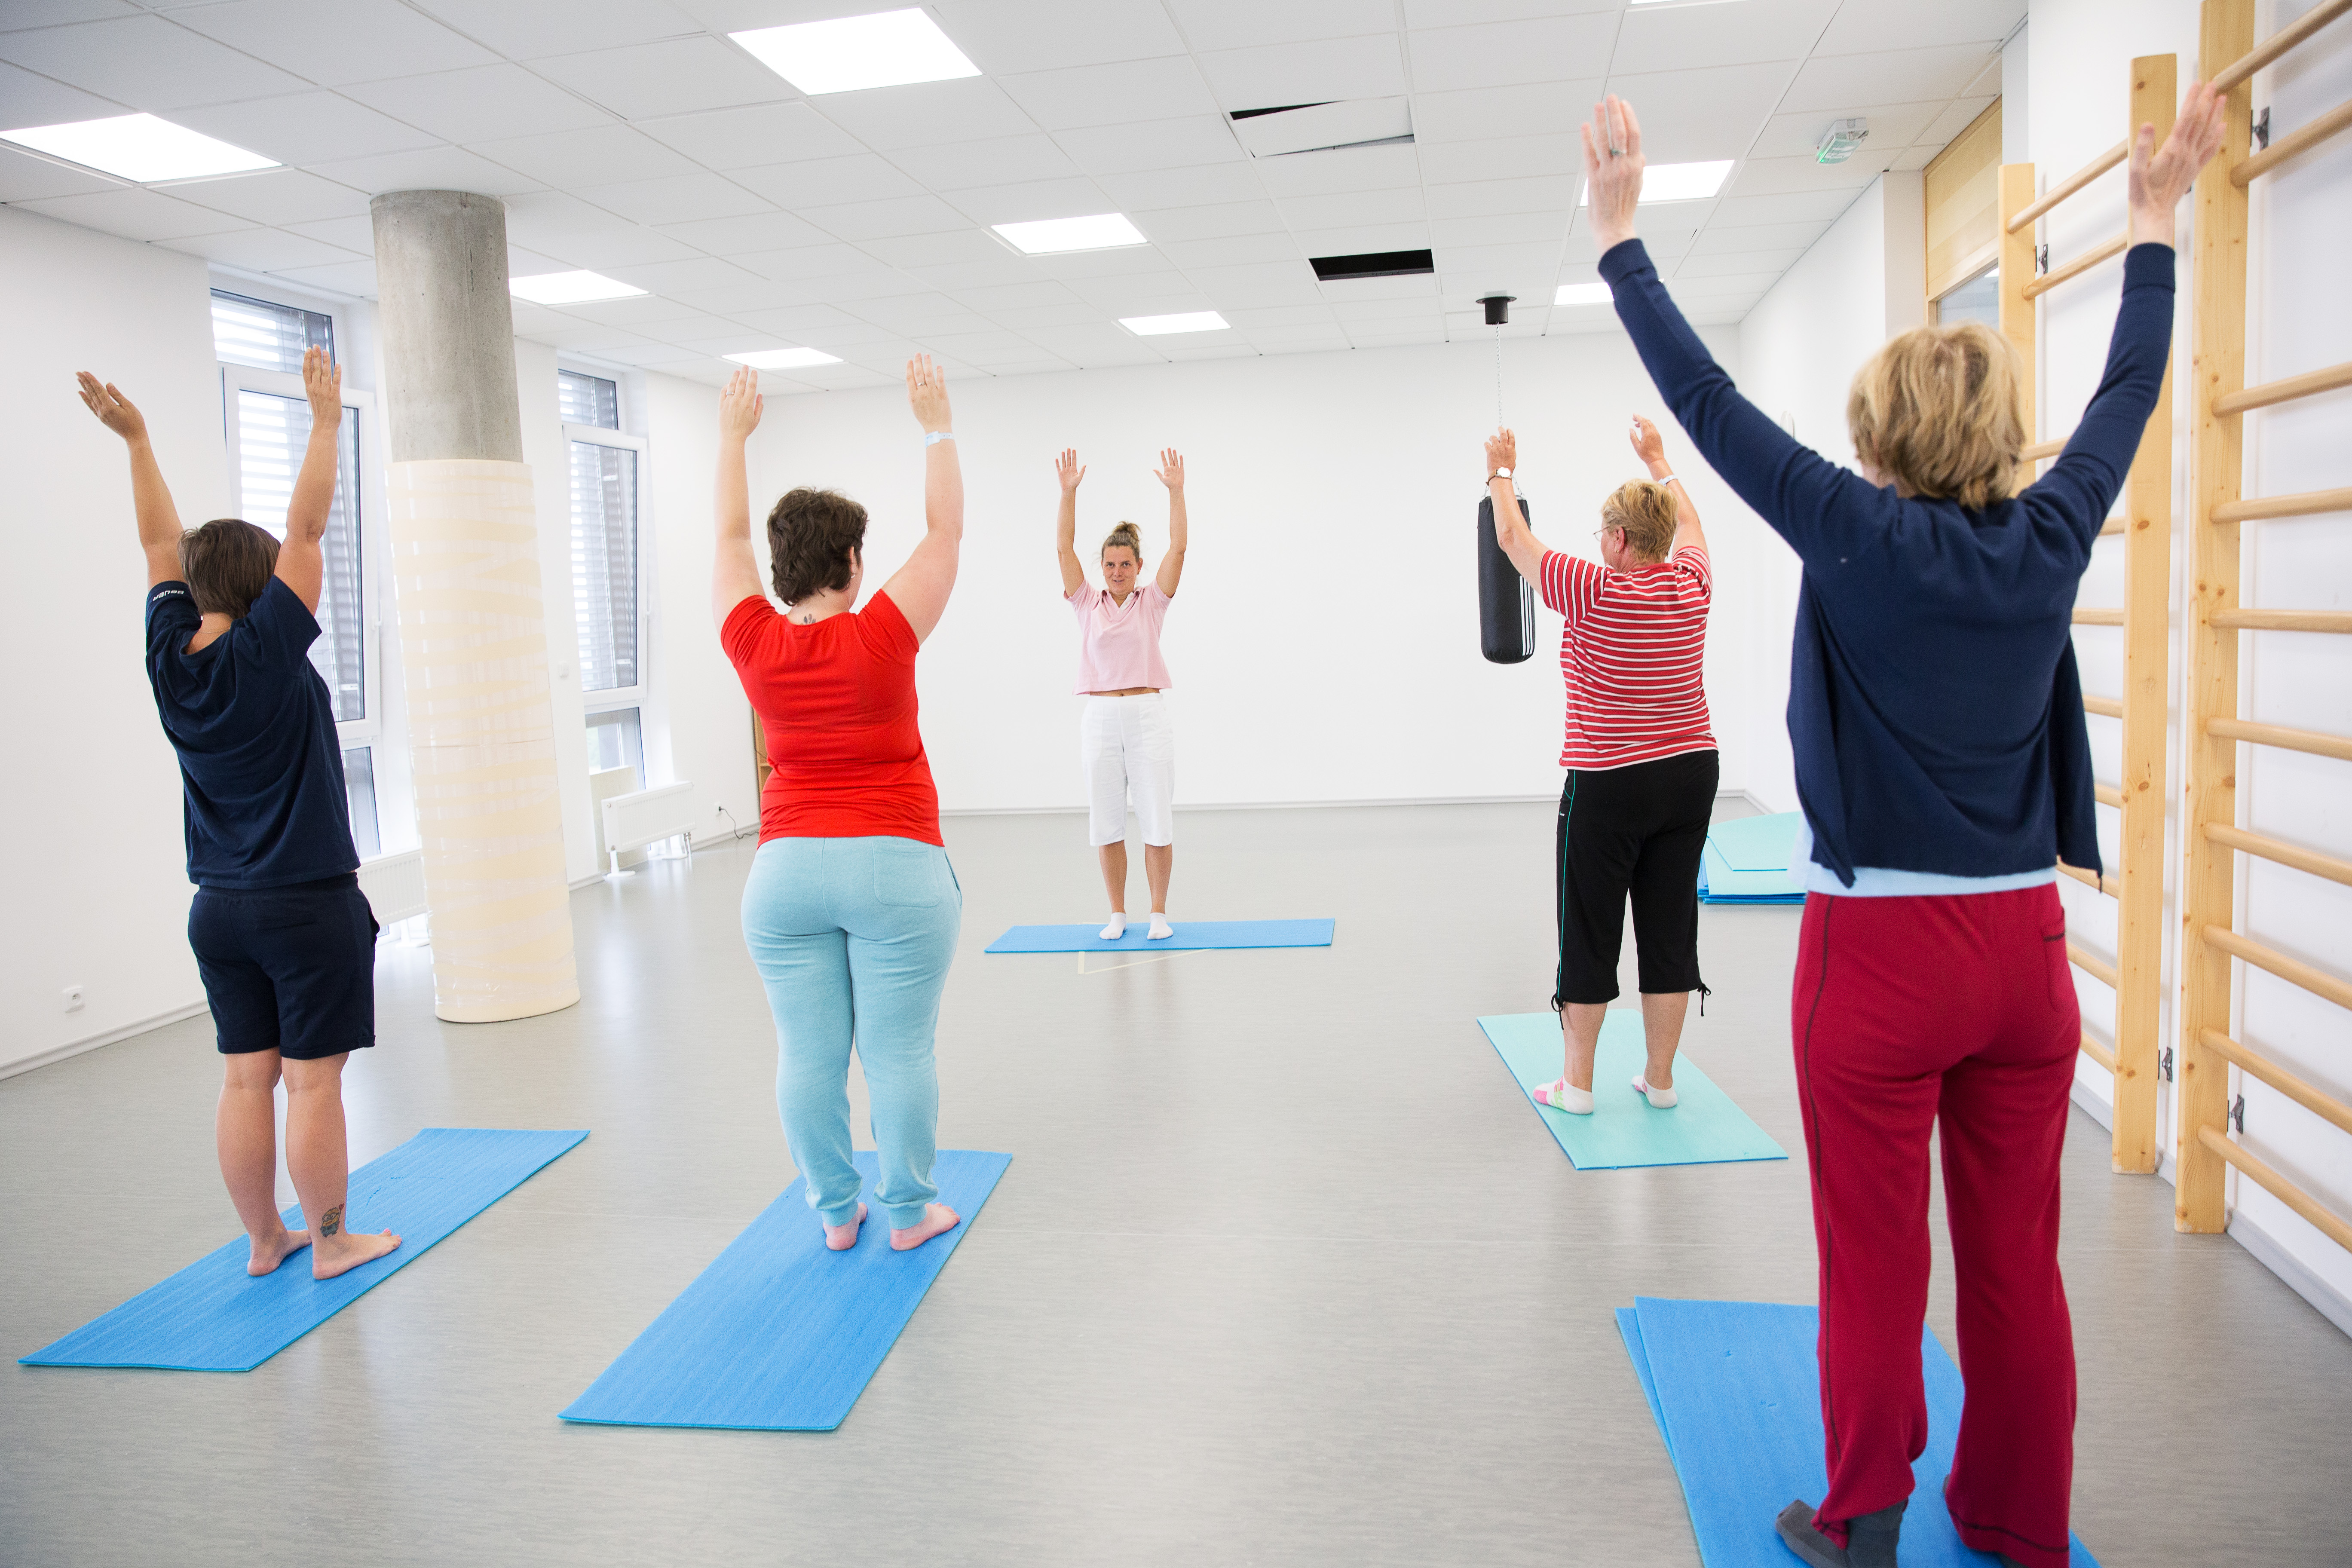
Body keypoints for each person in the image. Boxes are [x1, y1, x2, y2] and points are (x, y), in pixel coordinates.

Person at [1578, 85, 2228, 1568]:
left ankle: (1862, 1511)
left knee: (1873, 1258)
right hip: (2025, 955)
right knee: (2017, 1265)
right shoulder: (2050, 533)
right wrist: (2152, 225)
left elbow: (1707, 405)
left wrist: (1621, 244)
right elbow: (2127, 394)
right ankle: (2020, 1516)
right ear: (1998, 438)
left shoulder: (1854, 529)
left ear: (1878, 439)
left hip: (1879, 958)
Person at [79, 349, 401, 1282]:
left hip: (218, 909)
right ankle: (331, 1240)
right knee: (314, 1081)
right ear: (265, 584)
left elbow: (157, 546)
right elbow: (307, 526)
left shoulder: (170, 659)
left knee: (244, 1077)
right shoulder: (267, 651)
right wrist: (327, 422)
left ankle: (267, 1242)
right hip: (305, 904)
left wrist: (137, 441)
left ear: (193, 586)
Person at [715, 357, 966, 1253]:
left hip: (782, 877)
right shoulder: (883, 633)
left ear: (782, 568)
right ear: (854, 563)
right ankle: (909, 1212)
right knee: (897, 1052)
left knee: (808, 1055)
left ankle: (834, 1213)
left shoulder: (753, 639)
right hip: (893, 863)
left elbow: (727, 539)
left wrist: (732, 438)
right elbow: (945, 531)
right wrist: (936, 425)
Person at [1482, 417, 1716, 1115]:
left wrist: (1499, 471)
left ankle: (1578, 1086)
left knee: (1588, 931)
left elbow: (1510, 539)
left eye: (1601, 534)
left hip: (1609, 783)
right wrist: (1660, 460)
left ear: (1617, 539)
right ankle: (1661, 1081)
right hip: (1690, 774)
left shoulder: (1592, 589)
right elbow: (1693, 526)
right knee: (1669, 929)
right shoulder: (1692, 585)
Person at [1054, 446, 1189, 940]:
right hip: (1101, 719)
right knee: (1107, 821)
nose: (1116, 571)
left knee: (1156, 818)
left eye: (1125, 564)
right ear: (1103, 566)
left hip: (1147, 716)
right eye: (1110, 564)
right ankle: (1117, 914)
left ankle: (1158, 914)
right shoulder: (1086, 603)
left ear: (1137, 566)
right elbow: (1064, 549)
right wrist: (1068, 494)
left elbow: (1179, 549)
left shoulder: (1152, 602)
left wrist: (1176, 492)